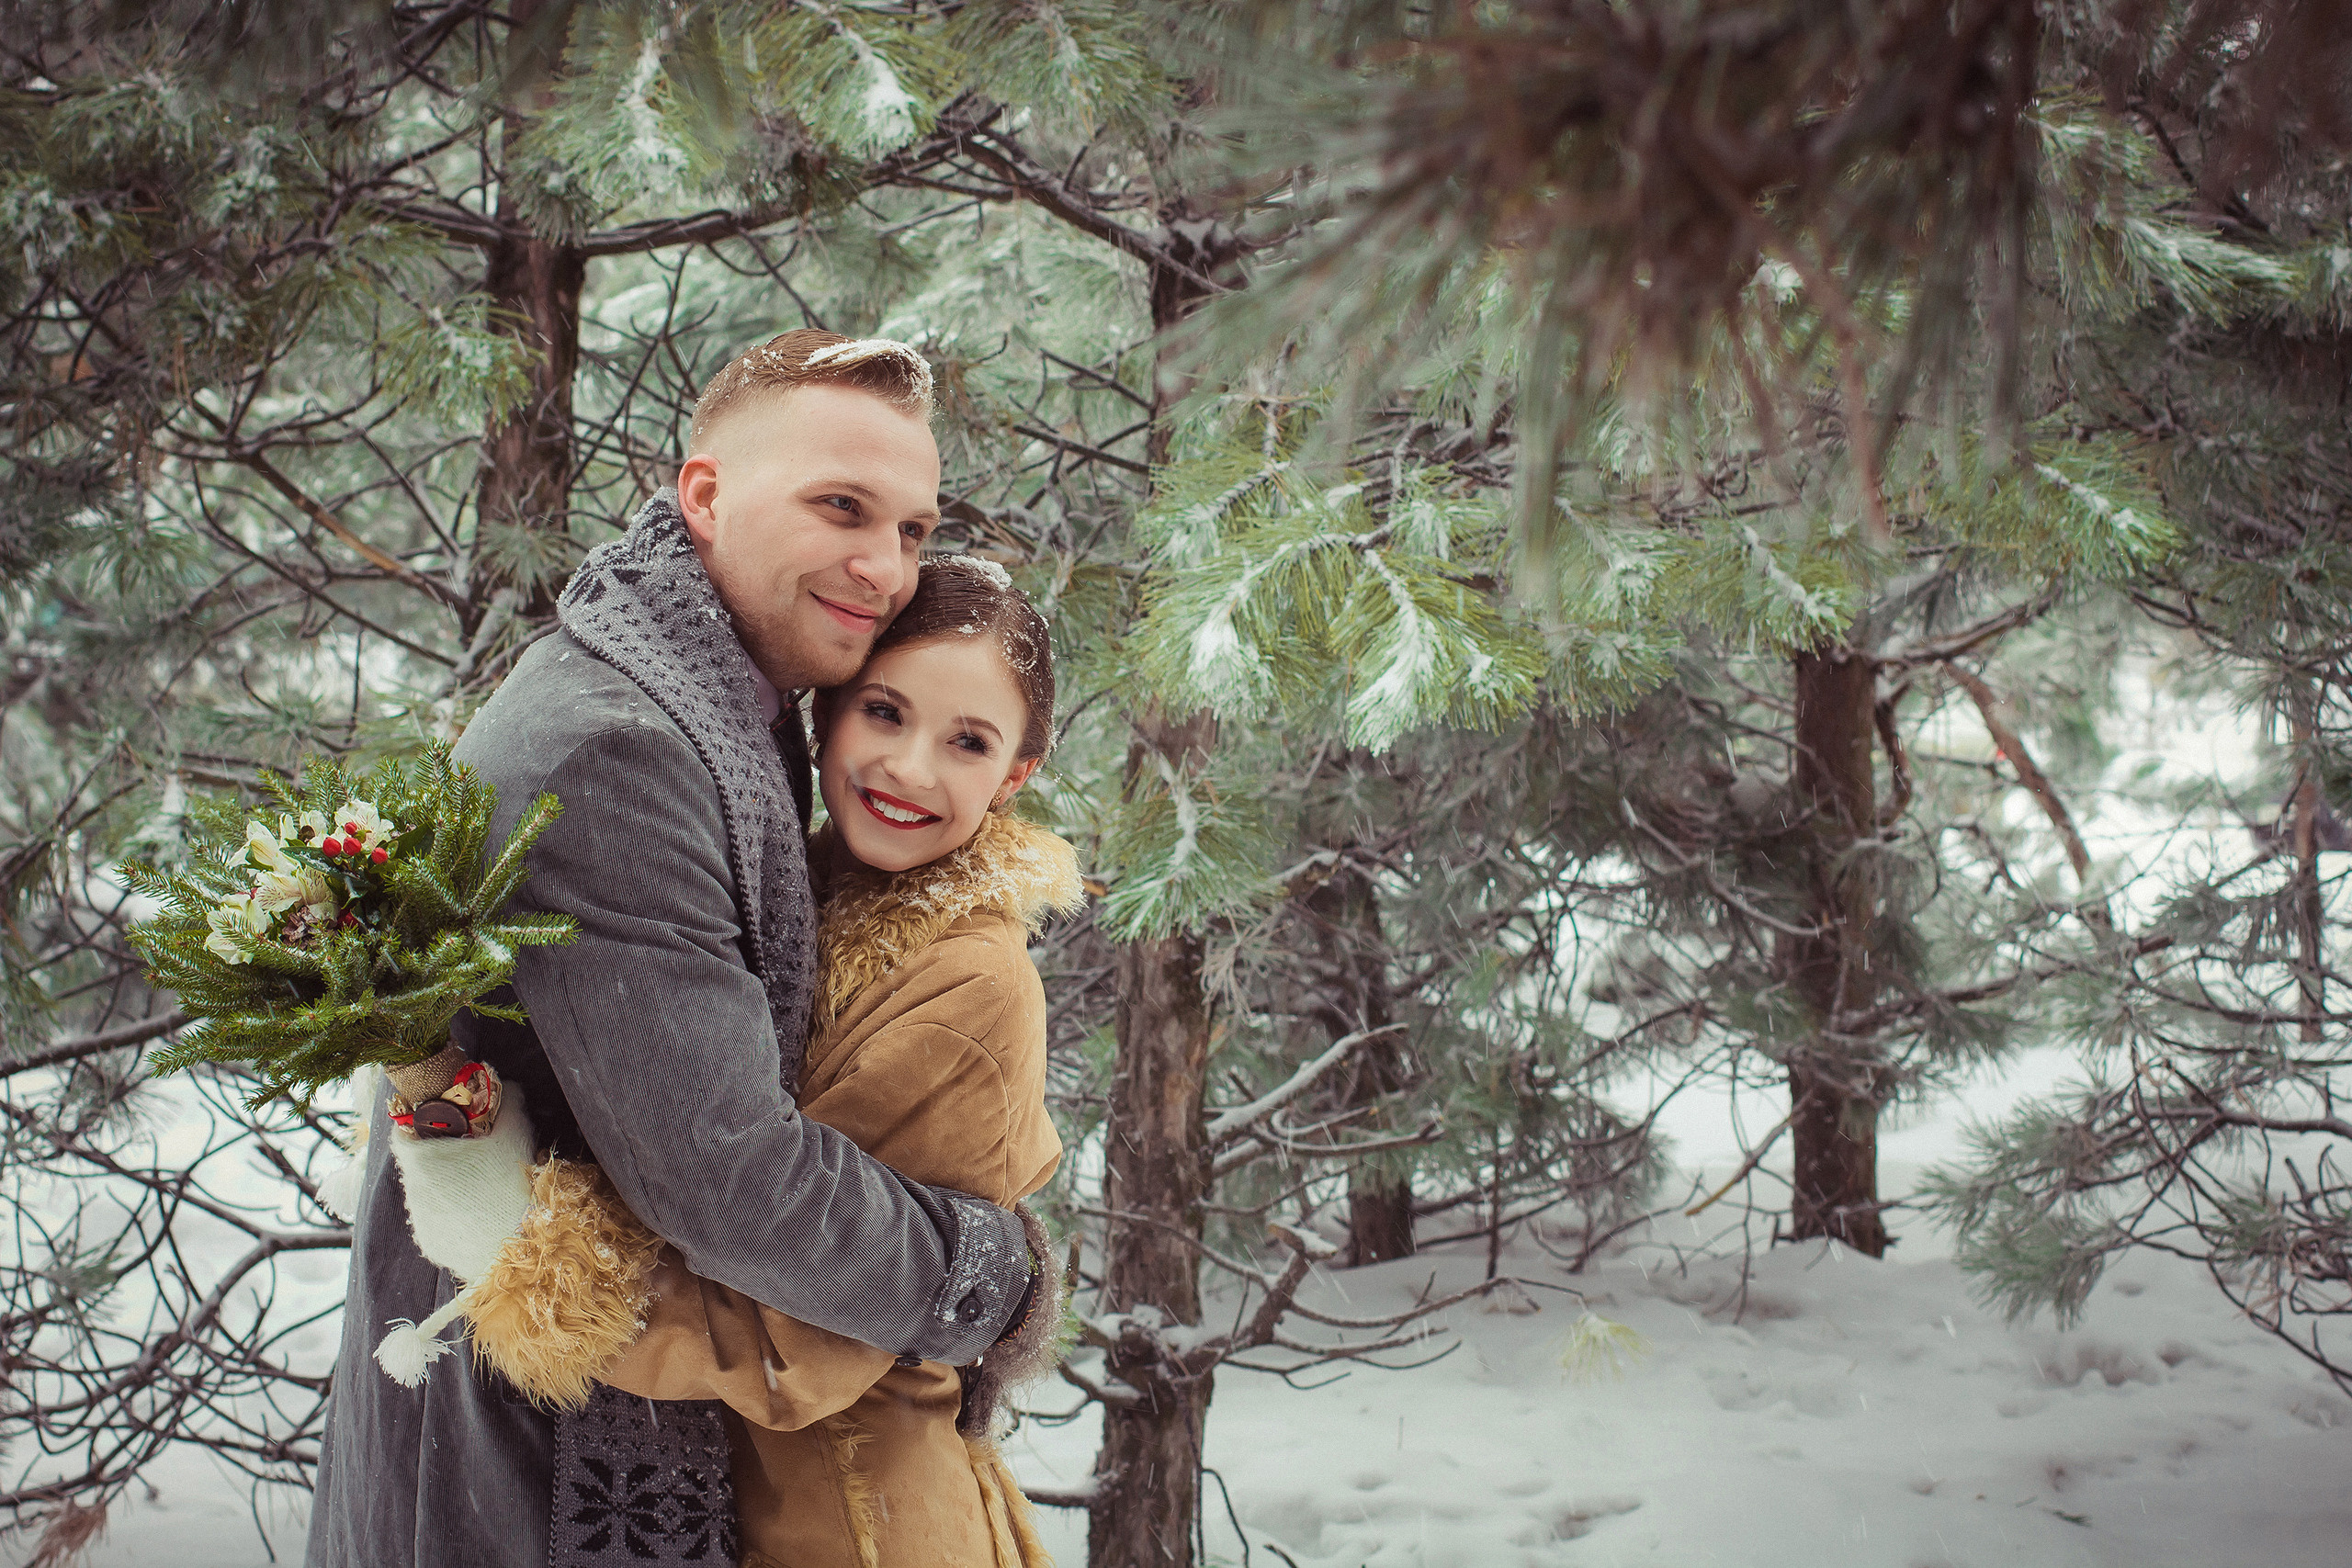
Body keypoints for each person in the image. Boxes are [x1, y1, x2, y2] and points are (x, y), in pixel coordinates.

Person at [307, 331, 1045, 1568]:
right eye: (841, 506)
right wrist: (987, 1278)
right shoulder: (623, 744)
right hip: (527, 1480)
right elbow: (729, 1179)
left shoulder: (697, 695)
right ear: (703, 494)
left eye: (913, 529)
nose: (884, 566)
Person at [471, 557, 1077, 1568]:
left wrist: (517, 1263)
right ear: (825, 716)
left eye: (967, 742)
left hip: (856, 1515)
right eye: (885, 713)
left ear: (1014, 777)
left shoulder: (970, 984)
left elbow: (803, 1331)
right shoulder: (801, 889)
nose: (909, 768)